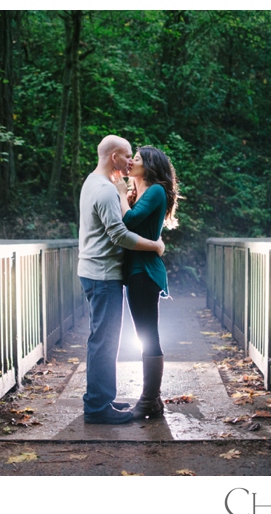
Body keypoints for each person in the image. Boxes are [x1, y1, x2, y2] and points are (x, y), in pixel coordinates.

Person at [77, 135, 165, 424]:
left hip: (97, 271)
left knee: (104, 339)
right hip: (102, 274)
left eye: (135, 157)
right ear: (114, 157)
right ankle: (97, 408)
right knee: (104, 340)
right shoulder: (104, 190)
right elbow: (120, 235)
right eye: (128, 155)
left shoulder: (92, 182)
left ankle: (102, 399)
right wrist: (156, 245)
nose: (130, 161)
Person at [113, 146, 180, 419]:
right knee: (145, 333)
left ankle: (150, 400)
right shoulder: (141, 193)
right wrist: (126, 193)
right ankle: (152, 399)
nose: (131, 162)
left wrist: (119, 191)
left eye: (136, 159)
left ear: (149, 165)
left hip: (144, 272)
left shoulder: (154, 191)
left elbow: (128, 221)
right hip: (137, 271)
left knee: (147, 335)